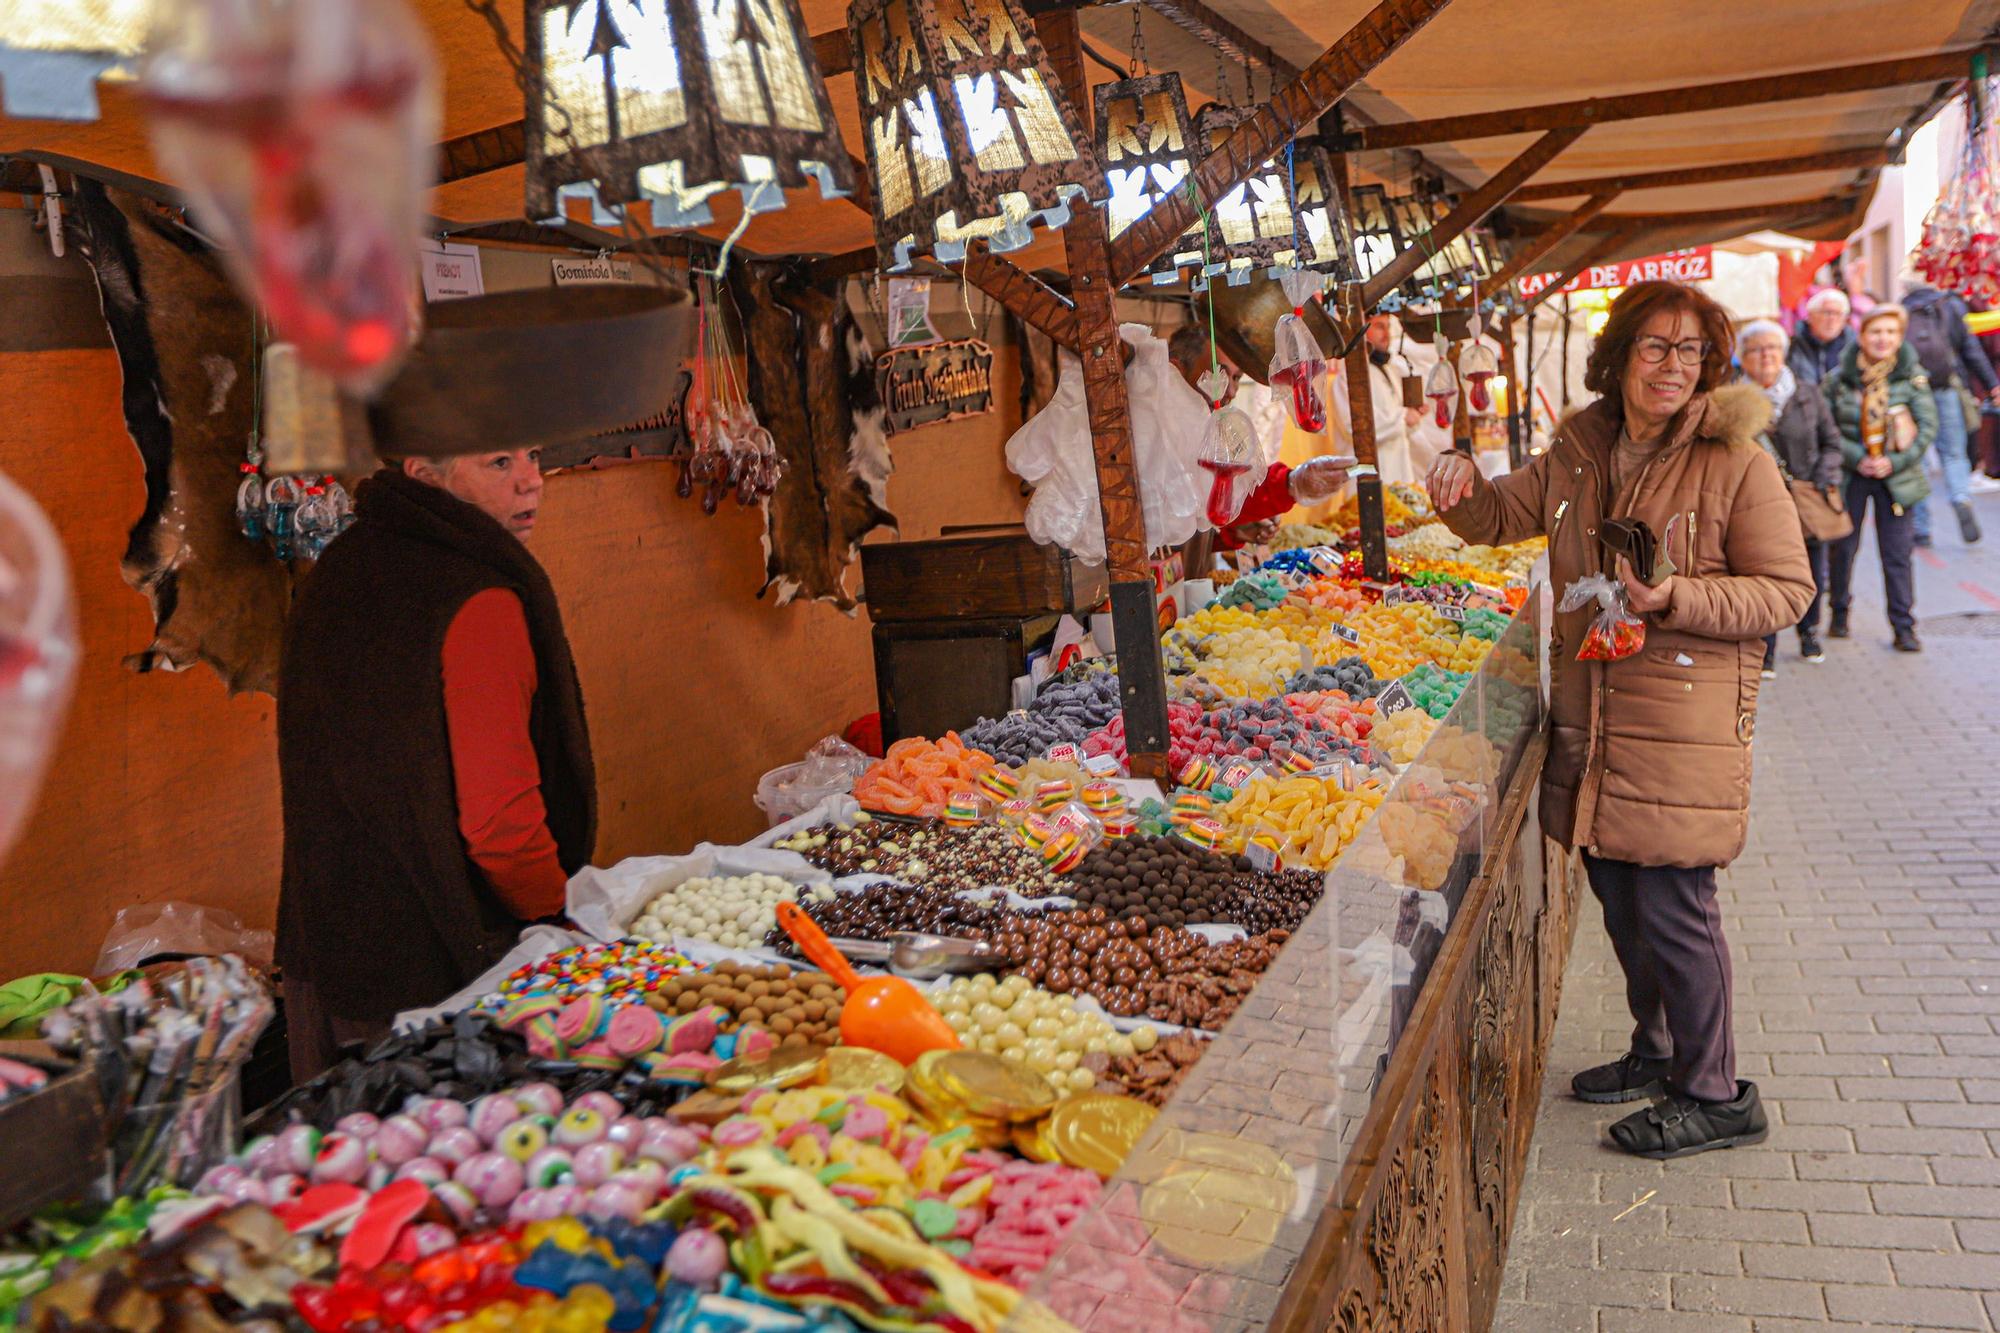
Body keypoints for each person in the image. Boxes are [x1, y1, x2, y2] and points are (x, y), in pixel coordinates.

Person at [1425, 281, 1812, 1159]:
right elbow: (1500, 517)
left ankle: (1716, 1093)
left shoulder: (1735, 460)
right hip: (1595, 716)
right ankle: (1659, 1049)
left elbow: (1789, 589)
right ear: (1620, 356)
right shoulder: (1578, 444)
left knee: (1677, 902)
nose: (1673, 367)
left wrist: (1676, 595)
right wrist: (1455, 486)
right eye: (1655, 347)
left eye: (1689, 352)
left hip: (1682, 717)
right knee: (1622, 900)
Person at [277, 450, 597, 1080]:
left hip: (324, 947)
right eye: (499, 462)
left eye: (534, 455)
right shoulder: (477, 601)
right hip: (437, 973)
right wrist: (559, 915)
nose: (532, 479)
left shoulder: (338, 567)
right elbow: (500, 825)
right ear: (426, 476)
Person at [1166, 325, 1352, 547]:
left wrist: (1233, 530)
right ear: (1175, 369)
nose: (1231, 391)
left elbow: (1203, 512)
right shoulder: (1151, 434)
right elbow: (1168, 524)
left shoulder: (1212, 433)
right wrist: (1291, 484)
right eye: (1218, 373)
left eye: (1236, 378)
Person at [1825, 304, 1939, 653]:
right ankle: (1839, 612)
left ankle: (1904, 627)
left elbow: (1927, 427)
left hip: (1897, 478)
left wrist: (1895, 460)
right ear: (1861, 336)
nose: (1882, 339)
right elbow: (1826, 428)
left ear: (1899, 337)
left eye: (1890, 332)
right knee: (1843, 548)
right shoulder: (1839, 379)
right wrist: (1859, 459)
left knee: (1897, 554)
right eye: (1876, 332)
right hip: (1852, 476)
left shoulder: (1912, 377)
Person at [1737, 320, 1844, 672]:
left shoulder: (1807, 393)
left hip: (1804, 499)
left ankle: (1808, 631)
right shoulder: (1732, 401)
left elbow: (1831, 443)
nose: (1766, 355)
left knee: (1810, 571)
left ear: (1784, 353)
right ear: (1742, 357)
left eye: (1772, 348)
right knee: (1760, 573)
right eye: (1756, 349)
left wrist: (1822, 476)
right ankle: (1765, 647)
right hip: (1754, 505)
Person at [1901, 280, 2000, 545]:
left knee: (1918, 458)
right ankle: (1960, 497)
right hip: (1946, 388)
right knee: (1954, 453)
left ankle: (1921, 527)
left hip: (1912, 392)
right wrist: (1992, 385)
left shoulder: (1901, 309)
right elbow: (1971, 351)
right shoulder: (1952, 306)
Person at [1330, 313, 1426, 486]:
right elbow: (1355, 427)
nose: (1387, 334)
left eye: (1388, 326)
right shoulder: (1348, 377)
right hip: (1368, 479)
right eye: (1380, 326)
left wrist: (1412, 418)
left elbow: (1400, 427)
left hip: (1398, 473)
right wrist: (1403, 416)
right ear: (1363, 328)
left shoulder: (1388, 370)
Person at [1788, 288, 1856, 389]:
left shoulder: (1854, 348)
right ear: (1810, 316)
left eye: (1838, 314)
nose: (1832, 319)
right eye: (1827, 312)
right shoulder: (1793, 346)